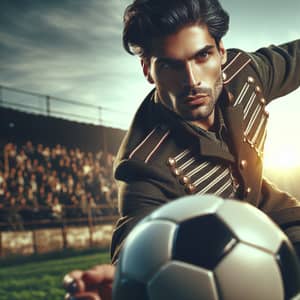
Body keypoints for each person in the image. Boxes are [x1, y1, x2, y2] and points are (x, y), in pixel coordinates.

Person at [64, 0, 300, 298]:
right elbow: (136, 234)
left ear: (221, 52)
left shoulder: (246, 73)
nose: (192, 80)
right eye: (171, 65)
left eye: (202, 56)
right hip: (211, 250)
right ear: (148, 71)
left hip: (271, 212)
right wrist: (123, 279)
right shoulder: (145, 163)